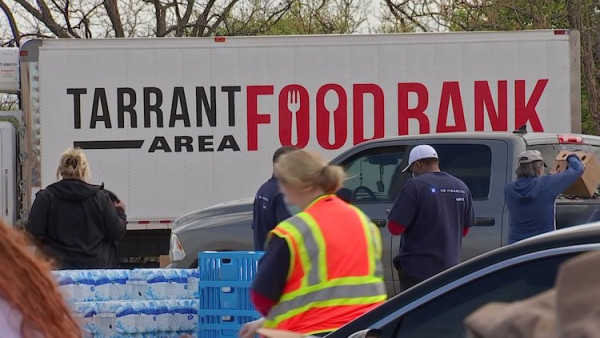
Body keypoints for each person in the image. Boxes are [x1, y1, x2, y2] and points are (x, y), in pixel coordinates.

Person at [240, 149, 387, 337]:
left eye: (283, 184)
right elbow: (338, 289)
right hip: (367, 329)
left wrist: (272, 321)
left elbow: (262, 296)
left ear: (295, 185)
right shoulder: (363, 222)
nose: (282, 191)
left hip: (314, 332)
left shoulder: (292, 232)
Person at [387, 144, 474, 292]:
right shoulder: (461, 187)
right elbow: (464, 230)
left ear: (417, 165)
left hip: (417, 271)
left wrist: (395, 214)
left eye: (411, 170)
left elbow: (395, 228)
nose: (412, 173)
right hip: (449, 268)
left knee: (414, 311)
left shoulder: (414, 186)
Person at [25, 148, 127, 269]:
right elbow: (116, 232)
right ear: (84, 170)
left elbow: (32, 233)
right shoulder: (101, 198)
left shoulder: (46, 198)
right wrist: (120, 212)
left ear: (61, 170)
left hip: (57, 266)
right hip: (95, 266)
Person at [0, 220, 81, 337]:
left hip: (56, 262)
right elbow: (114, 231)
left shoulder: (47, 201)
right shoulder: (23, 282)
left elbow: (34, 230)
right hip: (95, 263)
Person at [505, 150, 583, 244]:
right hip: (542, 245)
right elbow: (578, 169)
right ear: (538, 169)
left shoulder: (509, 189)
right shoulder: (547, 184)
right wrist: (571, 156)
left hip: (515, 246)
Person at [252, 146, 297, 250]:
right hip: (278, 259)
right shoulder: (283, 193)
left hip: (264, 257)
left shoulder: (264, 189)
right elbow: (288, 234)